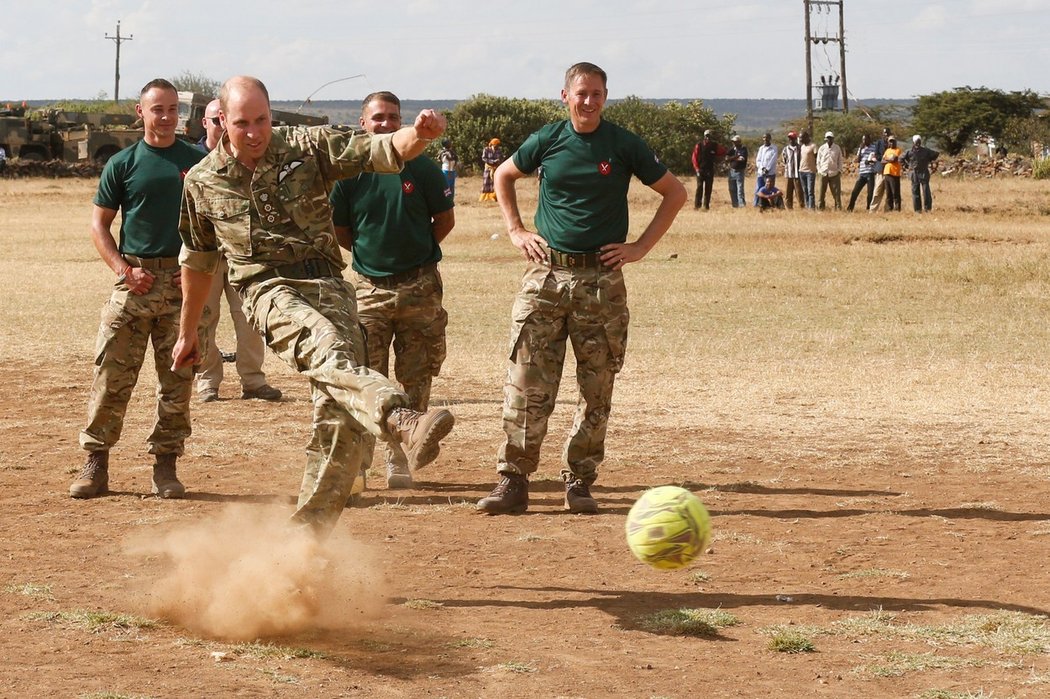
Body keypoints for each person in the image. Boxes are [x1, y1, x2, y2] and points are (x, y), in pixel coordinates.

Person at [173, 76, 455, 537]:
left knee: (339, 418)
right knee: (325, 347)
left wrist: (419, 135)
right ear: (222, 119)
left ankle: (306, 542)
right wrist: (188, 332)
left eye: (262, 120)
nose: (255, 132)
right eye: (242, 123)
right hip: (268, 289)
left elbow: (379, 149)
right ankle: (397, 414)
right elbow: (199, 263)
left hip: (329, 285)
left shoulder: (307, 146)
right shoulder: (203, 181)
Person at [476, 61, 686, 515]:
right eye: (581, 93)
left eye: (597, 94)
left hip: (602, 283)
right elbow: (503, 175)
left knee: (597, 387)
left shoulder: (624, 144)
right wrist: (515, 230)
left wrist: (640, 247)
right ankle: (512, 481)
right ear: (565, 95)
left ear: (605, 98)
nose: (588, 101)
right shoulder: (548, 139)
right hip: (546, 277)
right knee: (528, 381)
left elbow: (675, 192)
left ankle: (579, 481)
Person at [70, 78, 206, 500]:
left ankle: (166, 468)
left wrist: (199, 269)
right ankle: (96, 465)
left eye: (172, 110)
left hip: (183, 289)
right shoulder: (123, 163)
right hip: (135, 285)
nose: (165, 117)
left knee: (178, 381)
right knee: (111, 378)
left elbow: (216, 223)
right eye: (157, 109)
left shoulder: (198, 162)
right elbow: (99, 225)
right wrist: (124, 270)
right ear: (140, 111)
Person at [329, 91, 455, 490]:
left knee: (416, 377)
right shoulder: (349, 174)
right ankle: (367, 459)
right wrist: (372, 258)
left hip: (420, 285)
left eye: (393, 118)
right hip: (369, 290)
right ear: (363, 123)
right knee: (369, 377)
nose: (386, 124)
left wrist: (412, 256)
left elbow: (444, 221)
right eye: (378, 118)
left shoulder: (423, 167)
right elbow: (341, 230)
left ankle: (401, 454)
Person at [194, 98, 281, 404]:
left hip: (242, 257)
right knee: (203, 319)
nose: (222, 127)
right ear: (208, 122)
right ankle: (207, 381)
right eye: (215, 121)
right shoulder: (194, 162)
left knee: (250, 319)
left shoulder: (251, 159)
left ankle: (254, 381)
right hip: (206, 259)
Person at [902, 135, 940, 213]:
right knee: (915, 191)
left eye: (918, 141)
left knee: (926, 191)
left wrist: (929, 160)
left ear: (920, 141)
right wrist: (906, 166)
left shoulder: (926, 150)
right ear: (913, 142)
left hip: (924, 172)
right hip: (914, 172)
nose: (917, 142)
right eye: (916, 141)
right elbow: (901, 159)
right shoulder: (909, 151)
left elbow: (936, 154)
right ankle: (917, 210)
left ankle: (927, 209)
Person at [691, 129, 725, 210]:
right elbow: (694, 157)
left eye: (709, 136)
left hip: (710, 170)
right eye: (707, 136)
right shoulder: (699, 145)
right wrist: (697, 169)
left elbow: (723, 151)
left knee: (708, 188)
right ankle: (697, 206)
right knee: (699, 187)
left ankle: (706, 206)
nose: (708, 138)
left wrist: (719, 159)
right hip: (700, 170)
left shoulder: (715, 145)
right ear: (704, 136)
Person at [846, 134, 878, 212]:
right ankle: (850, 208)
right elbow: (858, 160)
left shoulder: (874, 147)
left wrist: (869, 161)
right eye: (863, 140)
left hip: (870, 172)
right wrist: (860, 149)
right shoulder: (861, 148)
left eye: (865, 140)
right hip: (862, 172)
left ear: (869, 139)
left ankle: (868, 208)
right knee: (855, 191)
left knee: (870, 193)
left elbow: (876, 159)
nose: (864, 141)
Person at [816, 131, 843, 210]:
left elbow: (840, 160)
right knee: (821, 193)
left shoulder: (837, 148)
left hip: (834, 173)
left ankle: (838, 209)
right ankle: (820, 208)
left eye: (831, 138)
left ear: (833, 139)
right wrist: (819, 170)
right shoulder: (822, 148)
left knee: (836, 193)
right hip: (823, 173)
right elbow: (818, 161)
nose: (829, 140)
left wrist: (839, 170)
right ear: (825, 139)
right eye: (828, 138)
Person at [868, 127, 892, 213]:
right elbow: (876, 155)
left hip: (890, 171)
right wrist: (882, 159)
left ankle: (888, 210)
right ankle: (873, 210)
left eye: (887, 133)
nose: (886, 135)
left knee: (889, 193)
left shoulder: (892, 143)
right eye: (885, 133)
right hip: (881, 170)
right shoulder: (879, 143)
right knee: (877, 191)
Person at [753, 132, 777, 207]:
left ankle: (771, 205)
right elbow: (758, 160)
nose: (765, 139)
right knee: (759, 189)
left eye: (767, 137)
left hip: (770, 173)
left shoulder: (774, 148)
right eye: (764, 138)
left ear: (770, 138)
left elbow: (773, 160)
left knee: (769, 190)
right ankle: (757, 204)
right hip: (761, 173)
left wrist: (767, 168)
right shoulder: (761, 148)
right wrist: (762, 168)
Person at [881, 135, 903, 212]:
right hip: (887, 173)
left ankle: (897, 209)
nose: (891, 143)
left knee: (895, 192)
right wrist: (889, 159)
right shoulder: (887, 151)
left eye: (893, 141)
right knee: (888, 193)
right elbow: (882, 161)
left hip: (894, 174)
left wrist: (887, 159)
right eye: (890, 141)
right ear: (888, 143)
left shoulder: (898, 150)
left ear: (895, 142)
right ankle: (888, 209)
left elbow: (894, 159)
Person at [780, 131, 801, 209]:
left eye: (792, 138)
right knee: (788, 192)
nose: (791, 140)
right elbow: (784, 160)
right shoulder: (785, 149)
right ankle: (789, 208)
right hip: (788, 174)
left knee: (799, 192)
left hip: (797, 174)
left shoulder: (800, 148)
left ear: (795, 139)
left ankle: (801, 207)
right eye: (790, 138)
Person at [726, 135, 748, 208]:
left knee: (740, 190)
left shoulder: (743, 149)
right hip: (732, 171)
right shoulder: (732, 149)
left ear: (739, 142)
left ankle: (741, 205)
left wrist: (731, 158)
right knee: (732, 189)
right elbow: (726, 158)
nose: (734, 143)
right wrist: (735, 157)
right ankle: (735, 205)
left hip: (739, 171)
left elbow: (742, 159)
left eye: (735, 142)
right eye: (733, 142)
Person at [799, 131, 817, 209]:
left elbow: (817, 157)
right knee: (805, 190)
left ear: (806, 137)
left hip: (810, 171)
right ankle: (807, 206)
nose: (800, 139)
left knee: (810, 191)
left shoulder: (813, 146)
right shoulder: (802, 146)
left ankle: (811, 208)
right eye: (799, 137)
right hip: (802, 171)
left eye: (801, 137)